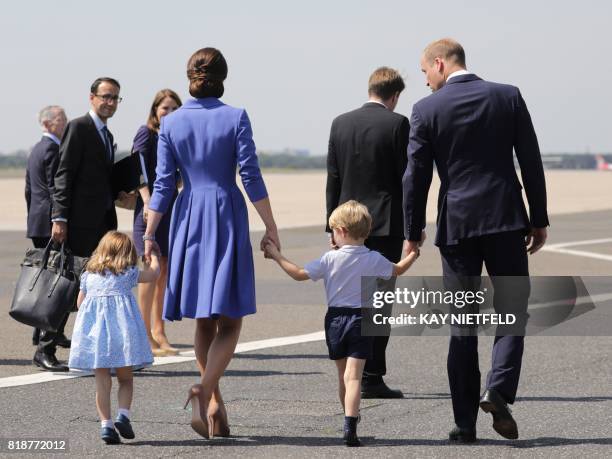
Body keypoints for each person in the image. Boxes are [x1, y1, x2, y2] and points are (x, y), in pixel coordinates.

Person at [402, 38, 549, 442]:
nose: (426, 81)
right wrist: (538, 219)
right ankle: (498, 389)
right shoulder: (508, 96)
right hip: (505, 219)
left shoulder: (426, 109)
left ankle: (464, 423)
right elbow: (531, 160)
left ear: (439, 64)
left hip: (458, 225)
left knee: (462, 324)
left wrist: (411, 232)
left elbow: (416, 177)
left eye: (425, 73)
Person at [143, 47, 279, 439]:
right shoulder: (235, 116)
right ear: (223, 76)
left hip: (188, 215)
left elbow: (164, 185)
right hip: (224, 212)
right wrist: (270, 225)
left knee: (205, 316)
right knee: (230, 320)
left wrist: (150, 233)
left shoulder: (171, 123)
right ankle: (204, 391)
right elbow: (250, 176)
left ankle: (215, 404)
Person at [264, 200, 419, 447]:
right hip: (362, 319)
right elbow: (397, 270)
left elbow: (298, 274)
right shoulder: (374, 258)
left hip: (335, 320)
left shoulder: (329, 259)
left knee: (341, 376)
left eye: (334, 229)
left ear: (341, 232)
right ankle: (350, 421)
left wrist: (275, 254)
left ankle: (349, 418)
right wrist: (413, 253)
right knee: (354, 376)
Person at [326, 67, 409, 399]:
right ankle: (371, 374)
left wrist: (331, 227)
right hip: (385, 223)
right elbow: (408, 179)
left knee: (348, 299)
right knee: (380, 303)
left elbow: (333, 178)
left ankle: (351, 370)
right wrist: (412, 227)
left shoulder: (340, 122)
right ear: (394, 95)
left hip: (346, 224)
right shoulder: (397, 123)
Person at [68, 231, 158, 444]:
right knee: (125, 379)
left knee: (102, 383)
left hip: (98, 339)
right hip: (122, 337)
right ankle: (123, 415)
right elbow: (153, 275)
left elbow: (80, 304)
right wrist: (153, 258)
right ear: (127, 254)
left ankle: (106, 425)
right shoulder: (128, 273)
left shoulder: (88, 275)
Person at [132, 89, 182, 357]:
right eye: (165, 108)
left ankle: (159, 330)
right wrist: (149, 201)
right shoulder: (146, 133)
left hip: (171, 210)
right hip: (150, 209)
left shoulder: (175, 137)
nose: (170, 113)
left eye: (175, 109)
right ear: (155, 111)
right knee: (150, 270)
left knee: (164, 272)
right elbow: (136, 167)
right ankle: (143, 334)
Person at [51, 77, 122, 257]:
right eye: (106, 97)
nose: (111, 103)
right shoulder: (78, 127)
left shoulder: (108, 136)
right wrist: (59, 218)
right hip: (80, 223)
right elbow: (64, 174)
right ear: (92, 97)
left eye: (115, 98)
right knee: (78, 278)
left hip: (104, 222)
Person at [26, 105, 71, 371]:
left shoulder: (35, 150)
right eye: (62, 119)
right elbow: (57, 188)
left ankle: (43, 331)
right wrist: (59, 218)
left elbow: (29, 190)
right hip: (51, 222)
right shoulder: (53, 150)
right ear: (49, 123)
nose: (65, 123)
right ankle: (45, 339)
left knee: (45, 279)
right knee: (55, 282)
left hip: (37, 220)